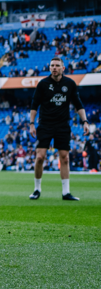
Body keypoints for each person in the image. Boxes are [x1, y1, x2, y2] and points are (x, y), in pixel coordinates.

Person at [29, 57, 89, 201]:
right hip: (45, 125)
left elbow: (78, 103)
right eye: (52, 65)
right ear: (49, 68)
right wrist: (31, 123)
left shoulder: (70, 84)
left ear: (63, 68)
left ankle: (66, 192)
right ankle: (37, 189)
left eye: (57, 65)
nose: (54, 68)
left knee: (65, 158)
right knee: (40, 157)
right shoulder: (43, 84)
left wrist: (85, 121)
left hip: (63, 125)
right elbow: (34, 104)